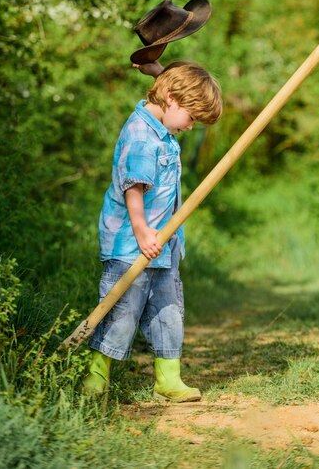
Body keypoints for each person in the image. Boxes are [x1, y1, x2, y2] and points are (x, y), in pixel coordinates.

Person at [83, 59, 222, 402]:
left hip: (164, 245)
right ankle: (96, 377)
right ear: (172, 99)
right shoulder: (142, 134)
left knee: (168, 311)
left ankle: (168, 380)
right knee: (121, 313)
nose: (191, 127)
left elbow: (174, 93)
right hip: (132, 244)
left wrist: (159, 71)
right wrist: (143, 231)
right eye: (192, 118)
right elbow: (134, 187)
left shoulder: (164, 119)